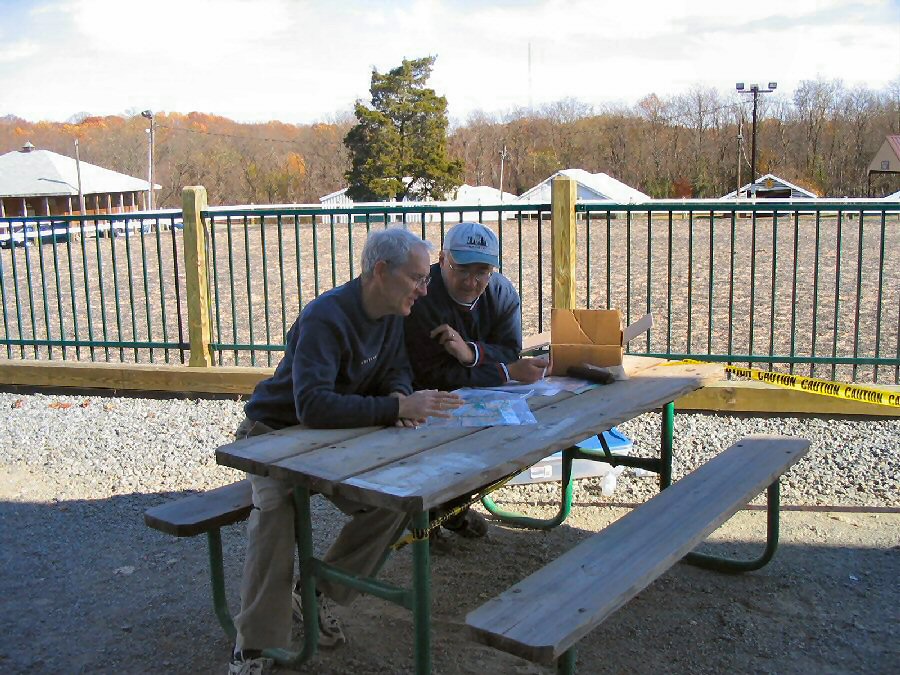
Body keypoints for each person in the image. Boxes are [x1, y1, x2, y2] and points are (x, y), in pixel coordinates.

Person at [229, 227, 462, 674]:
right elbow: (312, 405)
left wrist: (399, 400)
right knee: (278, 516)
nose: (424, 288)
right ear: (380, 270)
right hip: (272, 435)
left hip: (338, 437)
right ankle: (256, 646)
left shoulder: (394, 314)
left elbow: (396, 371)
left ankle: (314, 592)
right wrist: (394, 406)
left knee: (392, 503)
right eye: (417, 278)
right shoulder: (325, 317)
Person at [404, 221, 548, 540]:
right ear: (442, 260)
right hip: (424, 399)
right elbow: (430, 373)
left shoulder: (501, 293)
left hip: (479, 398)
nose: (471, 281)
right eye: (461, 269)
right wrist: (505, 372)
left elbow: (511, 349)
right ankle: (436, 509)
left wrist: (471, 353)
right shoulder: (421, 296)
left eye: (482, 271)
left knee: (520, 443)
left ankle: (450, 507)